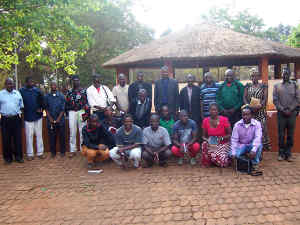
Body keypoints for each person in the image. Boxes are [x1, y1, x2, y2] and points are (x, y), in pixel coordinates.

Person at [273, 68, 300, 162]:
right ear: (282, 75)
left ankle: (288, 154)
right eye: (284, 74)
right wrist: (282, 109)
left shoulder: (295, 85)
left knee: (290, 135)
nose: (285, 76)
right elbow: (275, 100)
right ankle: (281, 153)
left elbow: (297, 99)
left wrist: (291, 109)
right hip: (281, 114)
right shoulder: (277, 86)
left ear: (289, 75)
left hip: (292, 114)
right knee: (281, 134)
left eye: (287, 74)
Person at [230, 106, 263, 175]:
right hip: (241, 145)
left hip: (251, 144)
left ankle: (255, 164)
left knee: (259, 145)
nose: (245, 117)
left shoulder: (257, 124)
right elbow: (234, 140)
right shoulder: (237, 125)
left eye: (247, 114)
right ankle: (245, 157)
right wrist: (233, 153)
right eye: (243, 115)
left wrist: (253, 150)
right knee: (232, 154)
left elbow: (258, 137)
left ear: (252, 115)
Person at [244, 68, 270, 150]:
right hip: (250, 112)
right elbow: (244, 98)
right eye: (252, 76)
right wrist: (248, 106)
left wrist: (260, 106)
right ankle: (253, 148)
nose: (254, 78)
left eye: (256, 76)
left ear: (258, 77)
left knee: (262, 129)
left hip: (260, 111)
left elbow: (265, 99)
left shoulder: (263, 86)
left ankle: (262, 148)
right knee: (251, 131)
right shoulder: (248, 86)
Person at [19, 76, 45, 160]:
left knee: (39, 135)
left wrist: (41, 108)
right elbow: (20, 103)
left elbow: (43, 101)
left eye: (32, 82)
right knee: (29, 136)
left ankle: (40, 153)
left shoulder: (37, 90)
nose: (32, 83)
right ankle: (30, 154)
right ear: (26, 83)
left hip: (38, 117)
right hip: (27, 117)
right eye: (30, 82)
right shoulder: (21, 91)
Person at [0, 78, 24, 164]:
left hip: (16, 119)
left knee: (17, 139)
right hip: (5, 119)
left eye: (11, 84)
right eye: (8, 84)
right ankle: (8, 158)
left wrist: (22, 119)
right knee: (6, 139)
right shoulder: (1, 94)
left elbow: (21, 106)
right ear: (5, 85)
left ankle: (18, 157)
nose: (10, 85)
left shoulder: (17, 93)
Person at [202, 103, 232, 167]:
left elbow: (230, 134)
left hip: (223, 144)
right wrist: (208, 140)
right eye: (211, 110)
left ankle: (216, 159)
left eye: (215, 110)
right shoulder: (205, 121)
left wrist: (221, 138)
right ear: (209, 111)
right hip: (212, 145)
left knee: (222, 163)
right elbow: (203, 136)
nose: (213, 111)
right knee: (204, 144)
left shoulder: (224, 120)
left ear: (218, 111)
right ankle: (213, 160)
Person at [66, 75, 89, 158]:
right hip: (72, 112)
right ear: (72, 82)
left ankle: (82, 149)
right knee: (72, 131)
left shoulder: (83, 91)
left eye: (77, 80)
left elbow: (87, 103)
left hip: (81, 111)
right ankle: (73, 150)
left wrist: (86, 114)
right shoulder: (69, 92)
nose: (76, 82)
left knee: (82, 130)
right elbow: (67, 103)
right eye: (74, 81)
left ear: (79, 81)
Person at [44, 81, 66, 158]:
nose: (53, 86)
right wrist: (50, 118)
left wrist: (58, 119)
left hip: (60, 120)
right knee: (52, 137)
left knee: (62, 136)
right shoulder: (46, 96)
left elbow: (63, 109)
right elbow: (46, 108)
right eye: (52, 85)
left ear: (57, 86)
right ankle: (53, 152)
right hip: (50, 120)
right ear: (50, 86)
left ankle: (63, 152)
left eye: (54, 85)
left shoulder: (61, 96)